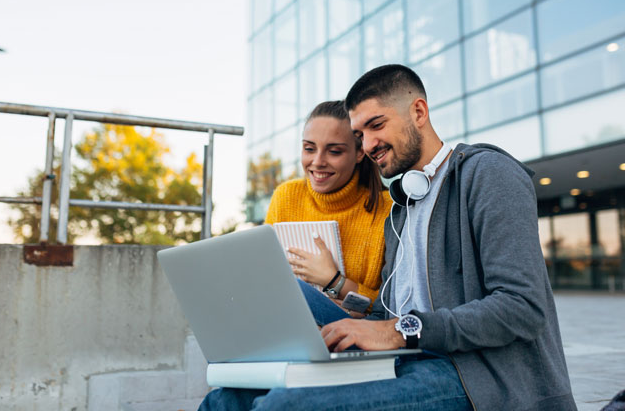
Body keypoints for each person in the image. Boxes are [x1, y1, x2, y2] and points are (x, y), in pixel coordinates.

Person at [200, 65, 576, 410]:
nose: (367, 145)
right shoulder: (402, 206)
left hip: (475, 373)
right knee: (226, 399)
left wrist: (398, 331)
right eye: (360, 135)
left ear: (418, 112)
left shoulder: (488, 174)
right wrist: (330, 330)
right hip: (410, 357)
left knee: (283, 406)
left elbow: (522, 307)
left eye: (376, 125)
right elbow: (383, 315)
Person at [264, 100, 392, 321]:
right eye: (309, 149)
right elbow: (264, 280)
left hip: (356, 337)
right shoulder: (286, 197)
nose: (317, 161)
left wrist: (334, 281)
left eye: (334, 151)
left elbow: (393, 306)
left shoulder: (388, 209)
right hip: (290, 326)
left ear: (360, 152)